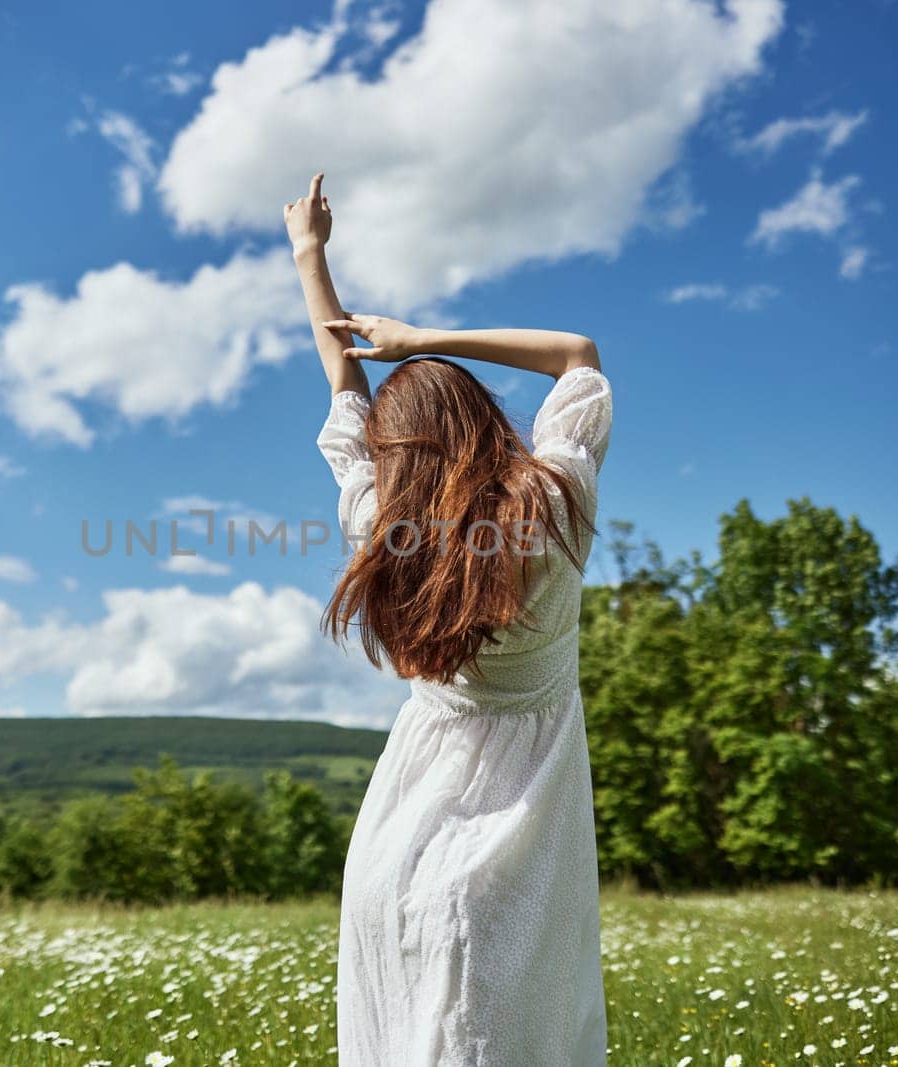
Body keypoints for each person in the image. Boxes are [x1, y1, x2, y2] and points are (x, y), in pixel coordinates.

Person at [285, 172, 613, 1065]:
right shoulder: (548, 513)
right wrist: (421, 339)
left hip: (394, 850)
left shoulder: (377, 528)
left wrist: (310, 258)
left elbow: (343, 393)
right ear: (480, 425)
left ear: (394, 461)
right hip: (514, 861)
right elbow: (578, 355)